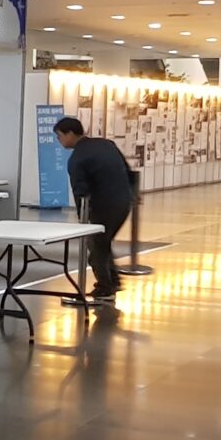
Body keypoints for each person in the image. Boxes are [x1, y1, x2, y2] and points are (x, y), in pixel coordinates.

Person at [54, 116, 135, 303]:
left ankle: (105, 289)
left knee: (96, 246)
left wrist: (83, 220)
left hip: (104, 206)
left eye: (59, 136)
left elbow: (80, 192)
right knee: (102, 243)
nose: (59, 140)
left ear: (70, 134)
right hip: (123, 202)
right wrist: (133, 193)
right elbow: (127, 170)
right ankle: (113, 281)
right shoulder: (106, 144)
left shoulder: (77, 158)